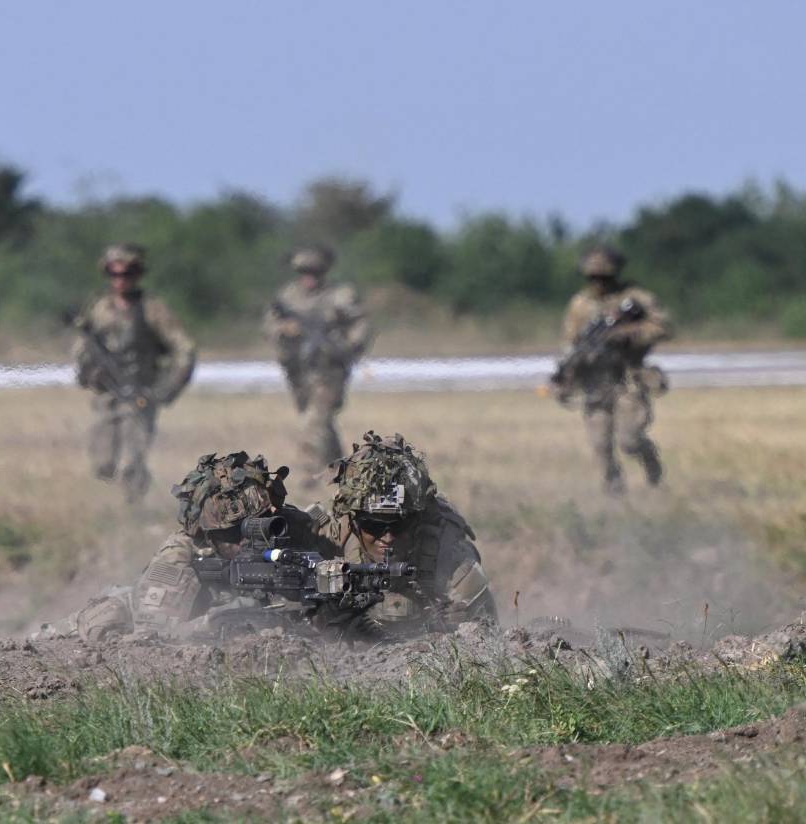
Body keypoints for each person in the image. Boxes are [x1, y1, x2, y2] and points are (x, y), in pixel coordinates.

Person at [66, 451, 338, 642]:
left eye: (260, 525)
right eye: (232, 533)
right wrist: (217, 623)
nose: (247, 540)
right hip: (137, 612)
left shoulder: (289, 527)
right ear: (207, 535)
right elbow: (150, 638)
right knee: (104, 619)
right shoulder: (181, 555)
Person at [317, 431, 497, 637]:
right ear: (352, 522)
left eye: (399, 525)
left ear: (418, 521)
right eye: (373, 526)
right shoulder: (327, 540)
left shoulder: (449, 563)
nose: (388, 538)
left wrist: (448, 625)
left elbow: (487, 640)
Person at [73, 244, 197, 503]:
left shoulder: (152, 309)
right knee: (102, 461)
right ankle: (106, 506)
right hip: (106, 394)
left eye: (127, 274)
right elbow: (83, 346)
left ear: (138, 274)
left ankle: (133, 509)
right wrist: (87, 373)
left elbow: (184, 349)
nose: (120, 280)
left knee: (133, 459)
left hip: (140, 395)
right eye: (114, 274)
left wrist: (165, 390)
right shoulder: (98, 307)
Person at [559, 246, 672, 495]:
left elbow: (662, 326)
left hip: (627, 380)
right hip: (594, 384)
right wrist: (566, 379)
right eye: (593, 277)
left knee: (630, 439)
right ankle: (615, 498)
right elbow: (571, 344)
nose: (599, 282)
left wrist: (627, 334)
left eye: (604, 277)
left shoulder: (635, 298)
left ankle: (651, 462)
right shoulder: (580, 305)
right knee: (601, 447)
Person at [263, 246, 371, 483]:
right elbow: (270, 326)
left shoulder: (340, 296)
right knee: (319, 422)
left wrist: (347, 346)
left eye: (315, 272)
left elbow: (361, 325)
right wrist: (284, 329)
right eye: (304, 272)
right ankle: (342, 470)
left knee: (314, 421)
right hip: (299, 371)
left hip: (330, 370)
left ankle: (309, 475)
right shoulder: (288, 297)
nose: (309, 278)